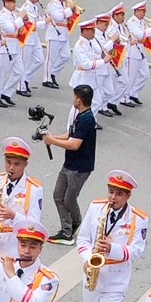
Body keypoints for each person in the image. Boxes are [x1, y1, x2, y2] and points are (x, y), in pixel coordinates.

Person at [75, 172, 148, 302]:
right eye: (111, 192)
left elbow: (137, 250)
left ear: (128, 196)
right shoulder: (96, 208)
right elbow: (83, 239)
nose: (113, 197)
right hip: (93, 274)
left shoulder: (139, 218)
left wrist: (112, 248)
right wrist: (88, 259)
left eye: (119, 194)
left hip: (116, 278)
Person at [42, 83, 99, 237]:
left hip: (79, 168)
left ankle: (74, 223)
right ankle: (66, 228)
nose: (73, 99)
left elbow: (74, 144)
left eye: (75, 97)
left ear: (79, 100)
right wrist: (52, 136)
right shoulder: (80, 116)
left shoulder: (87, 119)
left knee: (69, 199)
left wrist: (53, 141)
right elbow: (70, 135)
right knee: (58, 195)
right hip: (69, 164)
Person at [0, 139, 47, 262]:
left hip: (15, 246)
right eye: (8, 162)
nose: (11, 168)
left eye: (17, 164)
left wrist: (13, 215)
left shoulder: (34, 189)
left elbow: (34, 223)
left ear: (25, 164)